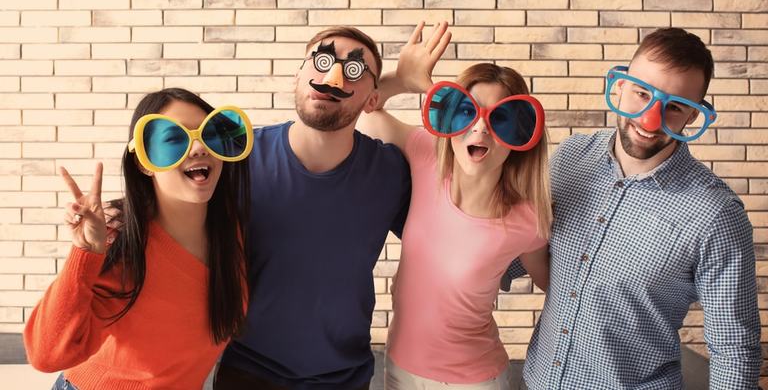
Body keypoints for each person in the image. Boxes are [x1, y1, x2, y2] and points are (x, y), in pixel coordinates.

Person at [518, 27, 761, 389]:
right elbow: (519, 245)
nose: (650, 119)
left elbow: (734, 351)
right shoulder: (570, 159)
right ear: (620, 86)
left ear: (693, 116)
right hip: (537, 381)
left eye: (675, 106)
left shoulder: (716, 214)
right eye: (642, 92)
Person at [212, 26, 412, 390]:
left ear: (372, 100)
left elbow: (443, 226)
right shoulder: (240, 158)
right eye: (321, 61)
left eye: (353, 70)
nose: (332, 76)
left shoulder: (390, 172)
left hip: (343, 377)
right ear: (298, 76)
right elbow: (176, 205)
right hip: (248, 370)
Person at [357, 22, 551, 389]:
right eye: (468, 112)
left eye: (501, 120)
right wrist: (401, 78)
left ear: (520, 137)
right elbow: (365, 112)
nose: (480, 129)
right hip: (400, 367)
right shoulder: (425, 155)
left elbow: (554, 283)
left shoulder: (528, 219)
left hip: (474, 379)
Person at [24, 88, 253, 390]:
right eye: (174, 140)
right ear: (145, 162)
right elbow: (45, 355)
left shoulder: (228, 230)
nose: (198, 148)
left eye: (208, 134)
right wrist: (84, 253)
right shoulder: (122, 244)